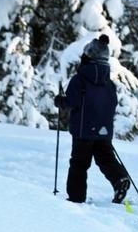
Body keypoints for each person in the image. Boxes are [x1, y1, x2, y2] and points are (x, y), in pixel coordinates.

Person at [56, 34, 131, 204]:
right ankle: (119, 179)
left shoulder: (80, 79)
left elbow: (72, 102)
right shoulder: (108, 82)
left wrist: (60, 101)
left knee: (79, 164)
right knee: (105, 158)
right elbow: (113, 103)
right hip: (103, 130)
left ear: (88, 56)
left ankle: (76, 198)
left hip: (83, 132)